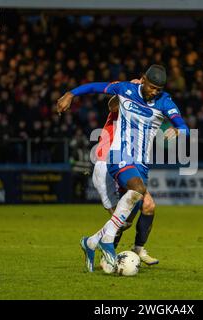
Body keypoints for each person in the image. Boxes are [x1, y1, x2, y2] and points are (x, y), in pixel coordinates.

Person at [57, 64, 190, 272]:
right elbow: (95, 87)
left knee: (129, 217)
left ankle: (91, 242)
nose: (154, 92)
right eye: (152, 87)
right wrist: (70, 94)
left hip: (141, 164)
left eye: (158, 89)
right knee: (137, 190)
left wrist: (177, 130)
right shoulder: (125, 89)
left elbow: (183, 126)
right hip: (118, 155)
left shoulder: (165, 101)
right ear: (143, 79)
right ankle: (108, 242)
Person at [93, 94, 163, 266]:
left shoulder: (144, 113)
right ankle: (105, 253)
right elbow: (112, 106)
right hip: (106, 163)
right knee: (121, 221)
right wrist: (123, 93)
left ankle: (138, 249)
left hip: (130, 164)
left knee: (148, 206)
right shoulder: (123, 103)